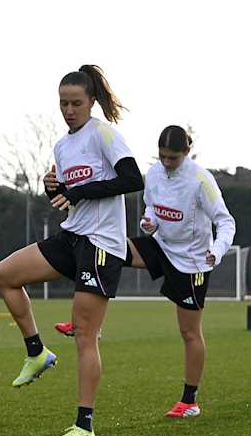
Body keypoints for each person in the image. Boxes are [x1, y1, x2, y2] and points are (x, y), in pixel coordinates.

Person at [0, 65, 142, 436]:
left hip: (102, 245)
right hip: (72, 236)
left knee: (85, 336)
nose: (69, 110)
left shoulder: (103, 133)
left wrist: (78, 191)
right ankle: (37, 352)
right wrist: (52, 188)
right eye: (63, 103)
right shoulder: (62, 145)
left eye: (76, 103)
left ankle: (84, 427)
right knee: (5, 274)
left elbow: (131, 179)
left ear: (91, 102)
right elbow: (67, 202)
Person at [55, 126, 234, 419]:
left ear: (186, 153)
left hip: (192, 261)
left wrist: (218, 248)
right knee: (107, 250)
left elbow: (225, 221)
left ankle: (190, 401)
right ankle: (87, 324)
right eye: (162, 156)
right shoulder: (152, 173)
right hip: (160, 246)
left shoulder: (202, 180)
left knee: (189, 332)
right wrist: (148, 222)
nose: (166, 162)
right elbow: (151, 208)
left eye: (173, 158)